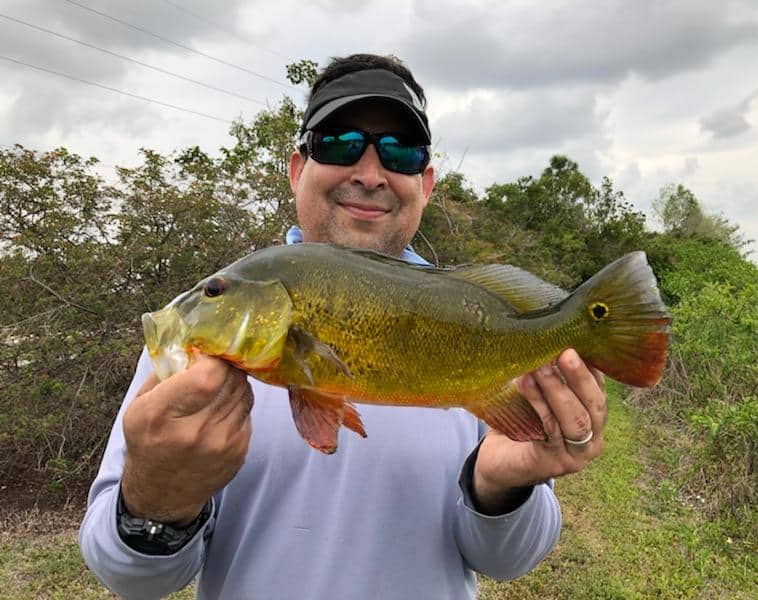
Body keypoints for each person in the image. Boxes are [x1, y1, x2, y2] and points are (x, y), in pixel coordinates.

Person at [80, 53, 607, 600]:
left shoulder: (472, 313)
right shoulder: (194, 346)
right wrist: (156, 501)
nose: (370, 173)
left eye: (400, 152)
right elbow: (128, 577)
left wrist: (501, 488)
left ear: (425, 183)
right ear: (296, 169)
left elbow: (510, 561)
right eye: (338, 143)